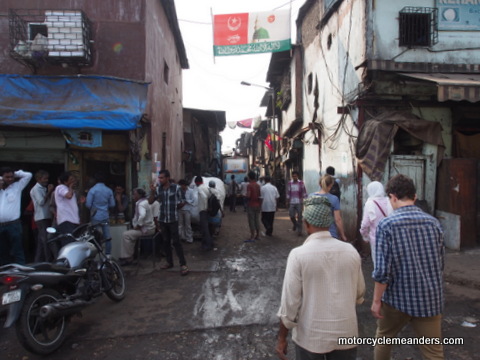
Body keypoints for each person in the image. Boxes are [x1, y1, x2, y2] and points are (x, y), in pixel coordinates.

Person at [276, 196, 365, 360]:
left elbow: (290, 304)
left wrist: (282, 338)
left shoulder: (298, 255)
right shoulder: (351, 251)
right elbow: (359, 294)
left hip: (310, 338)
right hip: (346, 334)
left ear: (306, 224)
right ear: (329, 222)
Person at [371, 174, 445, 360]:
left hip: (397, 299)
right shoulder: (433, 223)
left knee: (384, 339)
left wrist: (376, 300)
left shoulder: (387, 225)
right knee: (433, 351)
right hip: (429, 298)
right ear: (415, 196)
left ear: (393, 197)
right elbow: (440, 264)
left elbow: (383, 271)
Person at [150, 170, 189, 275]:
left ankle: (183, 264)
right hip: (163, 219)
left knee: (176, 242)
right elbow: (151, 201)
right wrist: (153, 192)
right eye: (159, 178)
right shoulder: (159, 189)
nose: (160, 179)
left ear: (167, 178)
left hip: (173, 219)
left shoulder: (176, 188)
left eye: (162, 178)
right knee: (166, 242)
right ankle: (169, 262)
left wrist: (175, 208)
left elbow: (183, 200)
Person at [0, 167, 32, 265]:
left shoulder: (17, 186)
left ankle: (20, 272)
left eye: (11, 177)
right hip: (1, 226)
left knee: (17, 249)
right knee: (2, 251)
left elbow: (28, 175)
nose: (10, 179)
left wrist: (15, 173)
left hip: (13, 225)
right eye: (7, 177)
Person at [119, 188, 155, 266]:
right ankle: (130, 256)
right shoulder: (145, 201)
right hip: (149, 228)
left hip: (146, 229)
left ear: (139, 195)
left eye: (134, 194)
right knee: (130, 234)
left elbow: (142, 215)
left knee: (126, 235)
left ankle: (128, 258)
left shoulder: (141, 204)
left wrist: (139, 225)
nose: (133, 196)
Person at [359, 181, 392, 266]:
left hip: (376, 239)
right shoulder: (389, 201)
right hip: (391, 237)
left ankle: (380, 278)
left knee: (378, 263)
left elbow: (365, 224)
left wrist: (365, 236)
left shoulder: (370, 204)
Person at [86, 172, 115, 257]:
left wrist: (94, 208)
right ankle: (108, 256)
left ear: (95, 180)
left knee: (95, 236)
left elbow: (88, 205)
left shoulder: (92, 190)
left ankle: (96, 256)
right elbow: (112, 204)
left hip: (95, 217)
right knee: (107, 237)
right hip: (105, 216)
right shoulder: (109, 190)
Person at [310, 175, 348, 241]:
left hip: (315, 234)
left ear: (319, 184)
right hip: (331, 233)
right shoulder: (334, 199)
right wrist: (342, 235)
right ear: (331, 184)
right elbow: (338, 220)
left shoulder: (311, 196)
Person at [30, 169, 54, 262]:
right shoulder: (36, 189)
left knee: (41, 242)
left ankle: (38, 261)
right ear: (39, 179)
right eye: (44, 179)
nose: (46, 180)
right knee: (46, 241)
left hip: (46, 216)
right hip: (41, 217)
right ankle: (47, 261)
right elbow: (41, 202)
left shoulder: (42, 188)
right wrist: (49, 191)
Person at [54, 171, 83, 243]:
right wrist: (70, 187)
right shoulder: (60, 187)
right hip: (66, 220)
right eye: (71, 180)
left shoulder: (70, 190)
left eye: (74, 179)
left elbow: (70, 204)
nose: (73, 181)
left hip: (73, 220)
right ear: (65, 181)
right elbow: (68, 196)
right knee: (69, 242)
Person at [194, 176, 214, 251]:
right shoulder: (206, 187)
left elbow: (204, 197)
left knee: (205, 229)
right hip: (206, 210)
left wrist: (205, 207)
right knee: (205, 228)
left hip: (203, 210)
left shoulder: (199, 188)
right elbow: (208, 196)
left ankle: (208, 245)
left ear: (196, 182)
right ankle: (207, 243)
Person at [286, 171, 307, 236]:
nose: (294, 177)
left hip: (299, 202)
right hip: (292, 202)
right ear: (292, 176)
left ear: (297, 176)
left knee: (300, 217)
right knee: (291, 215)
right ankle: (295, 224)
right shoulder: (290, 183)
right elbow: (288, 192)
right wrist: (287, 201)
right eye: (293, 176)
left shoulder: (301, 183)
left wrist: (305, 200)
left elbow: (304, 191)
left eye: (295, 176)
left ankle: (299, 231)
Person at [245, 171, 261, 242]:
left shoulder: (249, 185)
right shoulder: (257, 185)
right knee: (257, 220)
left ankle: (252, 236)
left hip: (251, 204)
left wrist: (244, 195)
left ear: (249, 177)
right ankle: (257, 235)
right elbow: (260, 195)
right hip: (257, 204)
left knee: (251, 221)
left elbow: (248, 195)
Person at [178, 179, 195, 243]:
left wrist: (186, 201)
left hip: (187, 209)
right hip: (180, 209)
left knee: (187, 225)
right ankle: (182, 237)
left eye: (182, 185)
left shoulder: (190, 191)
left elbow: (193, 200)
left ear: (185, 185)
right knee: (180, 225)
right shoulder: (179, 191)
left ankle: (189, 238)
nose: (181, 187)